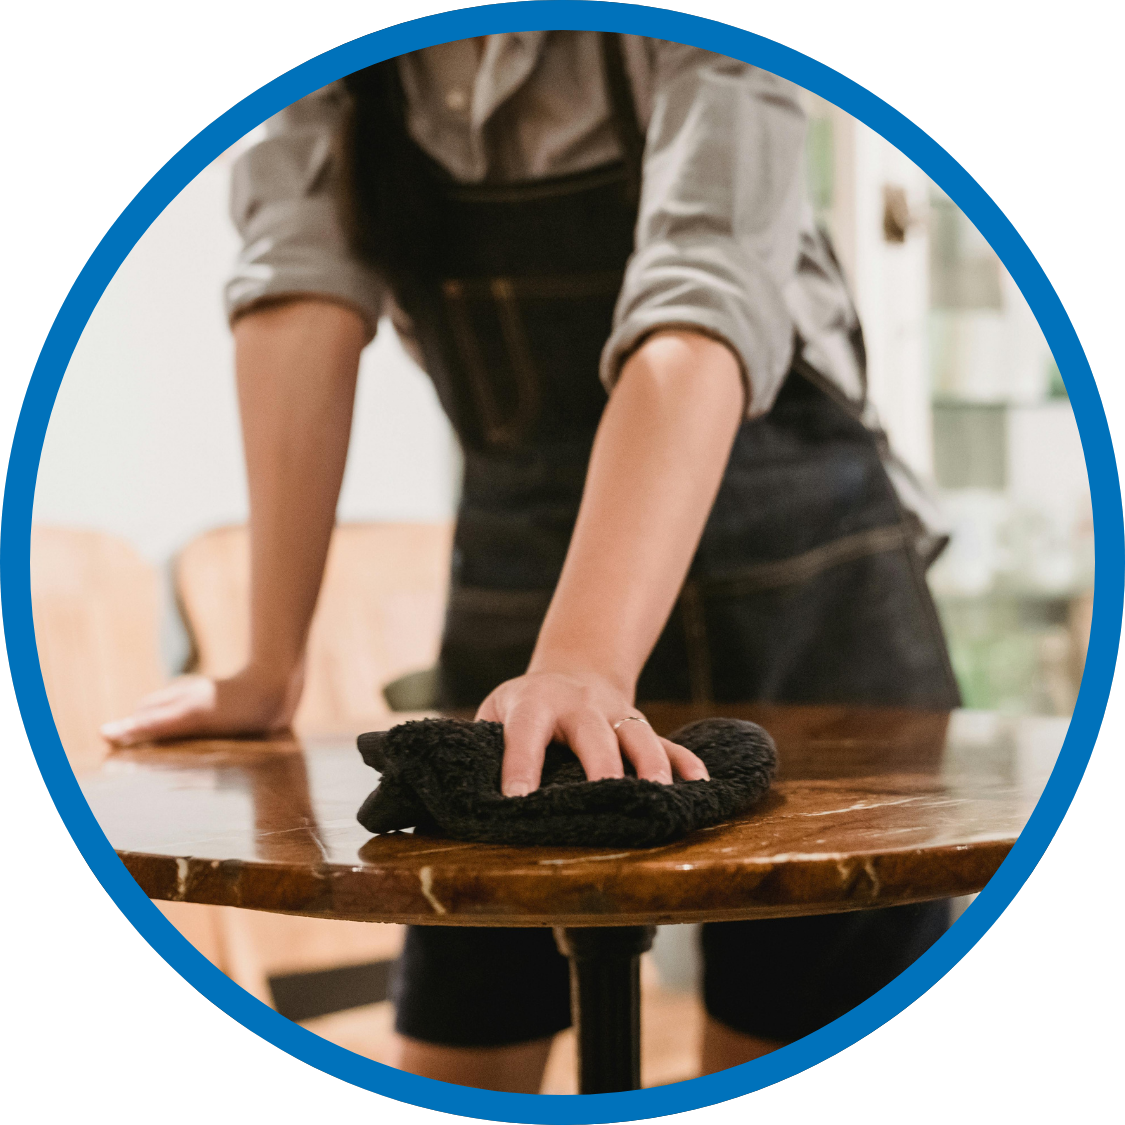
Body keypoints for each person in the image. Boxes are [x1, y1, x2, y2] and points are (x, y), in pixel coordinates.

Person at [103, 33, 960, 1092]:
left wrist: (587, 660)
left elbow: (700, 309)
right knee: (459, 1059)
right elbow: (299, 291)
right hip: (522, 580)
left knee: (787, 1061)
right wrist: (267, 660)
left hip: (806, 589)